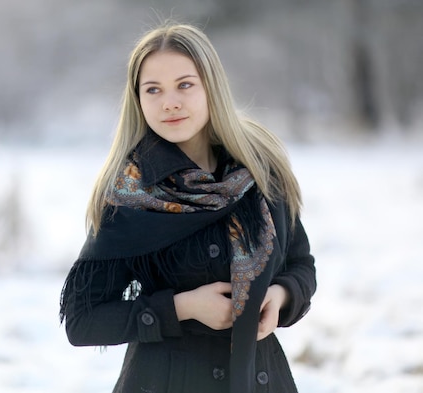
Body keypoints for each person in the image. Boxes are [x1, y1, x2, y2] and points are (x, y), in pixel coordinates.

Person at [59, 23, 316, 393]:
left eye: (184, 85)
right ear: (138, 100)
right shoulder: (130, 194)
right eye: (153, 90)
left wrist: (282, 296)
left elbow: (300, 264)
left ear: (211, 86)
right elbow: (83, 321)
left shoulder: (259, 170)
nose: (170, 102)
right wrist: (182, 308)